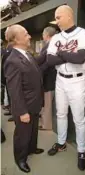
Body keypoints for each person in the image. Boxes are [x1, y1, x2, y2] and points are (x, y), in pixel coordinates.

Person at [46, 5, 85, 171]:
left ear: (68, 16)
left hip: (77, 81)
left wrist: (60, 54)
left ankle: (81, 151)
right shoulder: (55, 37)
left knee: (79, 118)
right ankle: (61, 143)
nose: (56, 21)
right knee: (60, 114)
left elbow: (80, 58)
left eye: (58, 17)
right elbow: (49, 61)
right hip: (60, 80)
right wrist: (67, 56)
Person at [4, 25, 44, 173]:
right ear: (16, 39)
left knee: (33, 130)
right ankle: (20, 158)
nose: (29, 37)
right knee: (22, 134)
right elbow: (14, 90)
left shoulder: (26, 54)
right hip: (24, 107)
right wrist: (22, 112)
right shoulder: (12, 60)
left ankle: (32, 148)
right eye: (26, 34)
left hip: (34, 103)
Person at [39, 26, 57, 130]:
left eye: (43, 34)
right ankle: (46, 123)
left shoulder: (50, 45)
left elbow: (46, 62)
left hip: (49, 79)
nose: (42, 36)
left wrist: (37, 70)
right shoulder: (53, 44)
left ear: (46, 35)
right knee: (47, 103)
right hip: (51, 78)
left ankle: (47, 125)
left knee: (48, 103)